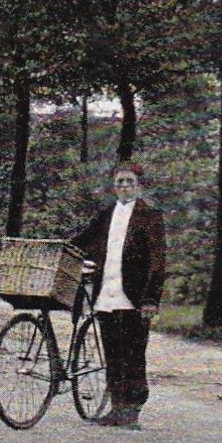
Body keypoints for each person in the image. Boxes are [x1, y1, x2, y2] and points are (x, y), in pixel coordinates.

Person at [71, 164, 166, 428]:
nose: (124, 186)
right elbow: (83, 239)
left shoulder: (150, 216)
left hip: (134, 296)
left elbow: (158, 261)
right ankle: (116, 408)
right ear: (114, 186)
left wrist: (150, 298)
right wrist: (60, 247)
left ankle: (132, 410)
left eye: (129, 181)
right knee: (112, 351)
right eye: (119, 182)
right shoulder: (106, 214)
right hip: (106, 294)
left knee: (134, 352)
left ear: (139, 185)